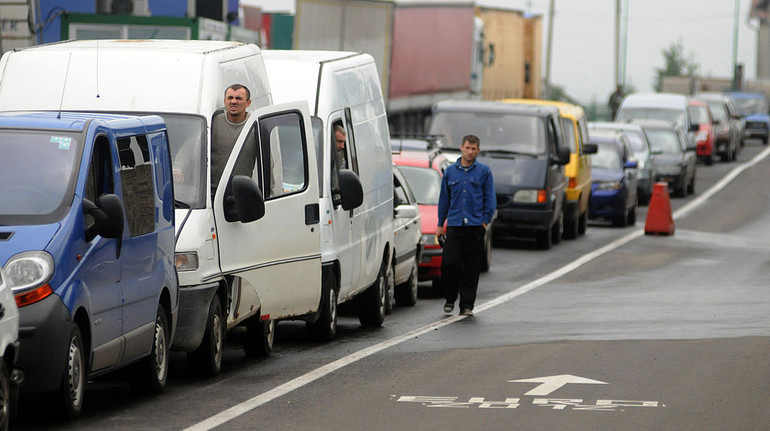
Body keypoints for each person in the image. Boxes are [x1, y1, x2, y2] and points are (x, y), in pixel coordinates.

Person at [436, 135, 496, 316]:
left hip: (476, 225)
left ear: (478, 150)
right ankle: (450, 297)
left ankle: (467, 305)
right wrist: (440, 223)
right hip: (455, 224)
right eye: (467, 148)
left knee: (472, 266)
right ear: (461, 147)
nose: (470, 152)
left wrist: (485, 222)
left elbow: (490, 199)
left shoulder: (484, 172)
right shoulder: (450, 172)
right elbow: (444, 200)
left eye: (474, 149)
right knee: (449, 263)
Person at [211, 84, 253, 196]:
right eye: (230, 98)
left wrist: (270, 196)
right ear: (225, 101)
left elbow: (269, 162)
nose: (233, 102)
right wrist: (178, 167)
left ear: (248, 103)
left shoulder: (254, 126)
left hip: (240, 195)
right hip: (212, 194)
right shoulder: (213, 123)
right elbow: (192, 147)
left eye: (238, 98)